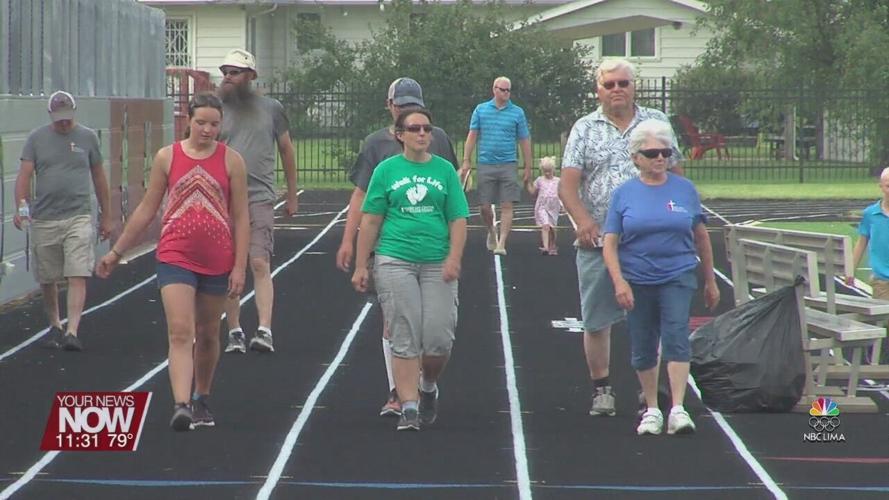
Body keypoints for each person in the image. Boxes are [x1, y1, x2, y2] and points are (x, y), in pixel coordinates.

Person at [96, 93, 249, 431]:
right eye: (201, 123)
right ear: (188, 122)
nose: (207, 130)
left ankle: (201, 397)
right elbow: (147, 209)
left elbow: (241, 216)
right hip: (175, 255)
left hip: (217, 258)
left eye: (214, 124)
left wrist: (239, 267)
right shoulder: (168, 157)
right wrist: (115, 252)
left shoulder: (231, 161)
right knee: (181, 331)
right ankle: (180, 404)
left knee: (208, 333)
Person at [559, 58, 684, 417]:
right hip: (598, 239)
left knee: (651, 317)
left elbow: (676, 175)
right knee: (597, 318)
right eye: (609, 84)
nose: (616, 90)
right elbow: (568, 186)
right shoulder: (584, 128)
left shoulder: (656, 124)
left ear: (634, 87)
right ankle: (602, 388)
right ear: (598, 89)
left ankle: (650, 392)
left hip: (650, 240)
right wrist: (582, 221)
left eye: (623, 83)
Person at [336, 77, 460, 418]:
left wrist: (453, 251)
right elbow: (361, 195)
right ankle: (399, 393)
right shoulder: (376, 144)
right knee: (395, 320)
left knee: (434, 331)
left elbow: (452, 191)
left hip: (432, 246)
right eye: (401, 105)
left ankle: (424, 385)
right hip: (389, 245)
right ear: (390, 107)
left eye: (412, 105)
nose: (406, 112)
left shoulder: (439, 141)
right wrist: (349, 240)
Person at [601, 119, 718, 435]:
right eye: (652, 153)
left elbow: (701, 236)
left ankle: (678, 407)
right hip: (637, 277)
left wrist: (710, 279)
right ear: (636, 157)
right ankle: (652, 408)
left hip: (678, 274)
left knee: (677, 334)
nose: (660, 159)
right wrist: (619, 281)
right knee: (643, 341)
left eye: (665, 152)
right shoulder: (624, 194)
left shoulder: (684, 190)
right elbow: (609, 242)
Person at [13, 90, 112, 352]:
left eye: (67, 118)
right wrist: (21, 207)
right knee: (48, 276)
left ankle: (72, 330)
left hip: (78, 215)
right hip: (45, 217)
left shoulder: (88, 138)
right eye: (59, 119)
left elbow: (99, 177)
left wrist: (107, 215)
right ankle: (55, 323)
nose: (64, 123)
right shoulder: (36, 139)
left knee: (77, 271)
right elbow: (25, 175)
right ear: (50, 116)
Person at [217, 48, 298, 354]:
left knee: (259, 261)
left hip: (259, 196)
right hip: (222, 198)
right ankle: (235, 330)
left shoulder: (271, 108)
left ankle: (264, 329)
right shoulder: (216, 109)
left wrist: (291, 194)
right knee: (226, 265)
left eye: (235, 72)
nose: (228, 77)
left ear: (251, 76)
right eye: (225, 71)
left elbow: (287, 151)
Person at [459, 76, 532, 256]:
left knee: (507, 205)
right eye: (503, 90)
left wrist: (528, 166)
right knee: (484, 206)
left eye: (508, 90)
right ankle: (491, 230)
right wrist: (466, 160)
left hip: (508, 163)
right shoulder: (481, 110)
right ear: (494, 89)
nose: (506, 93)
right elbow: (473, 135)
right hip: (486, 163)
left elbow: (524, 139)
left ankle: (502, 242)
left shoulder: (517, 112)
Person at [847, 167, 889, 300]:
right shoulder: (870, 214)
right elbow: (861, 243)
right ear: (881, 187)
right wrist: (851, 270)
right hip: (882, 279)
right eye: (888, 186)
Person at [525, 156, 561, 255]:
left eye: (549, 171)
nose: (547, 173)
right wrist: (527, 183)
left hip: (554, 207)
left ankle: (552, 245)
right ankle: (545, 247)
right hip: (542, 206)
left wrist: (564, 205)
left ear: (553, 169)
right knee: (545, 225)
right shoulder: (540, 180)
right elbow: (533, 191)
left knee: (553, 228)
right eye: (545, 171)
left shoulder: (558, 181)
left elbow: (562, 193)